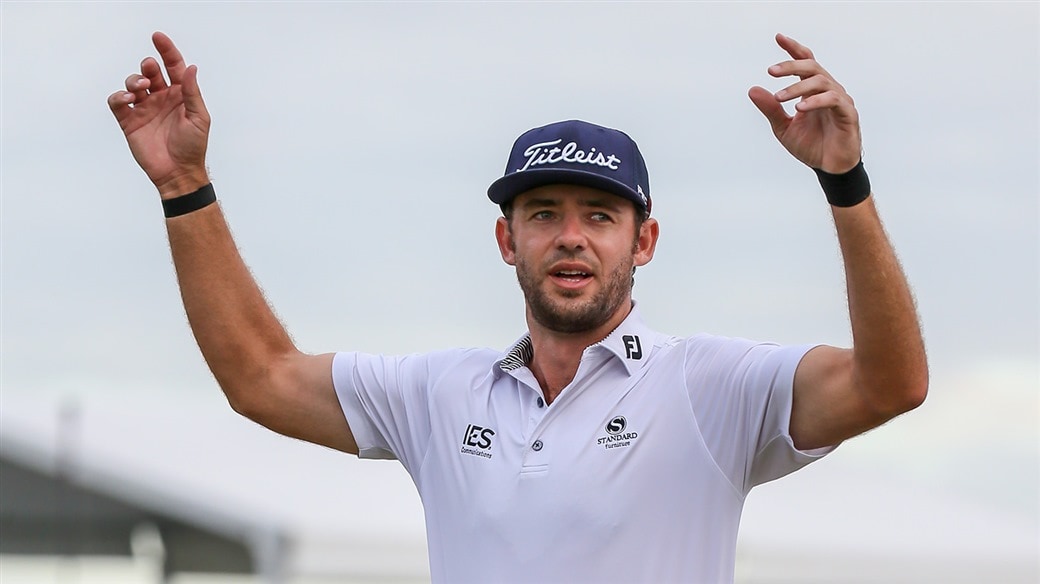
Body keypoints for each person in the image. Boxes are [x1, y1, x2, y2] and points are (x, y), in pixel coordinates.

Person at [109, 31, 928, 583]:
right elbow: (260, 378)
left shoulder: (711, 385)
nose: (571, 239)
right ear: (507, 241)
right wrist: (185, 188)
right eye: (544, 215)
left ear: (643, 244)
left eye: (600, 217)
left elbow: (891, 384)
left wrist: (843, 182)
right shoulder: (442, 393)